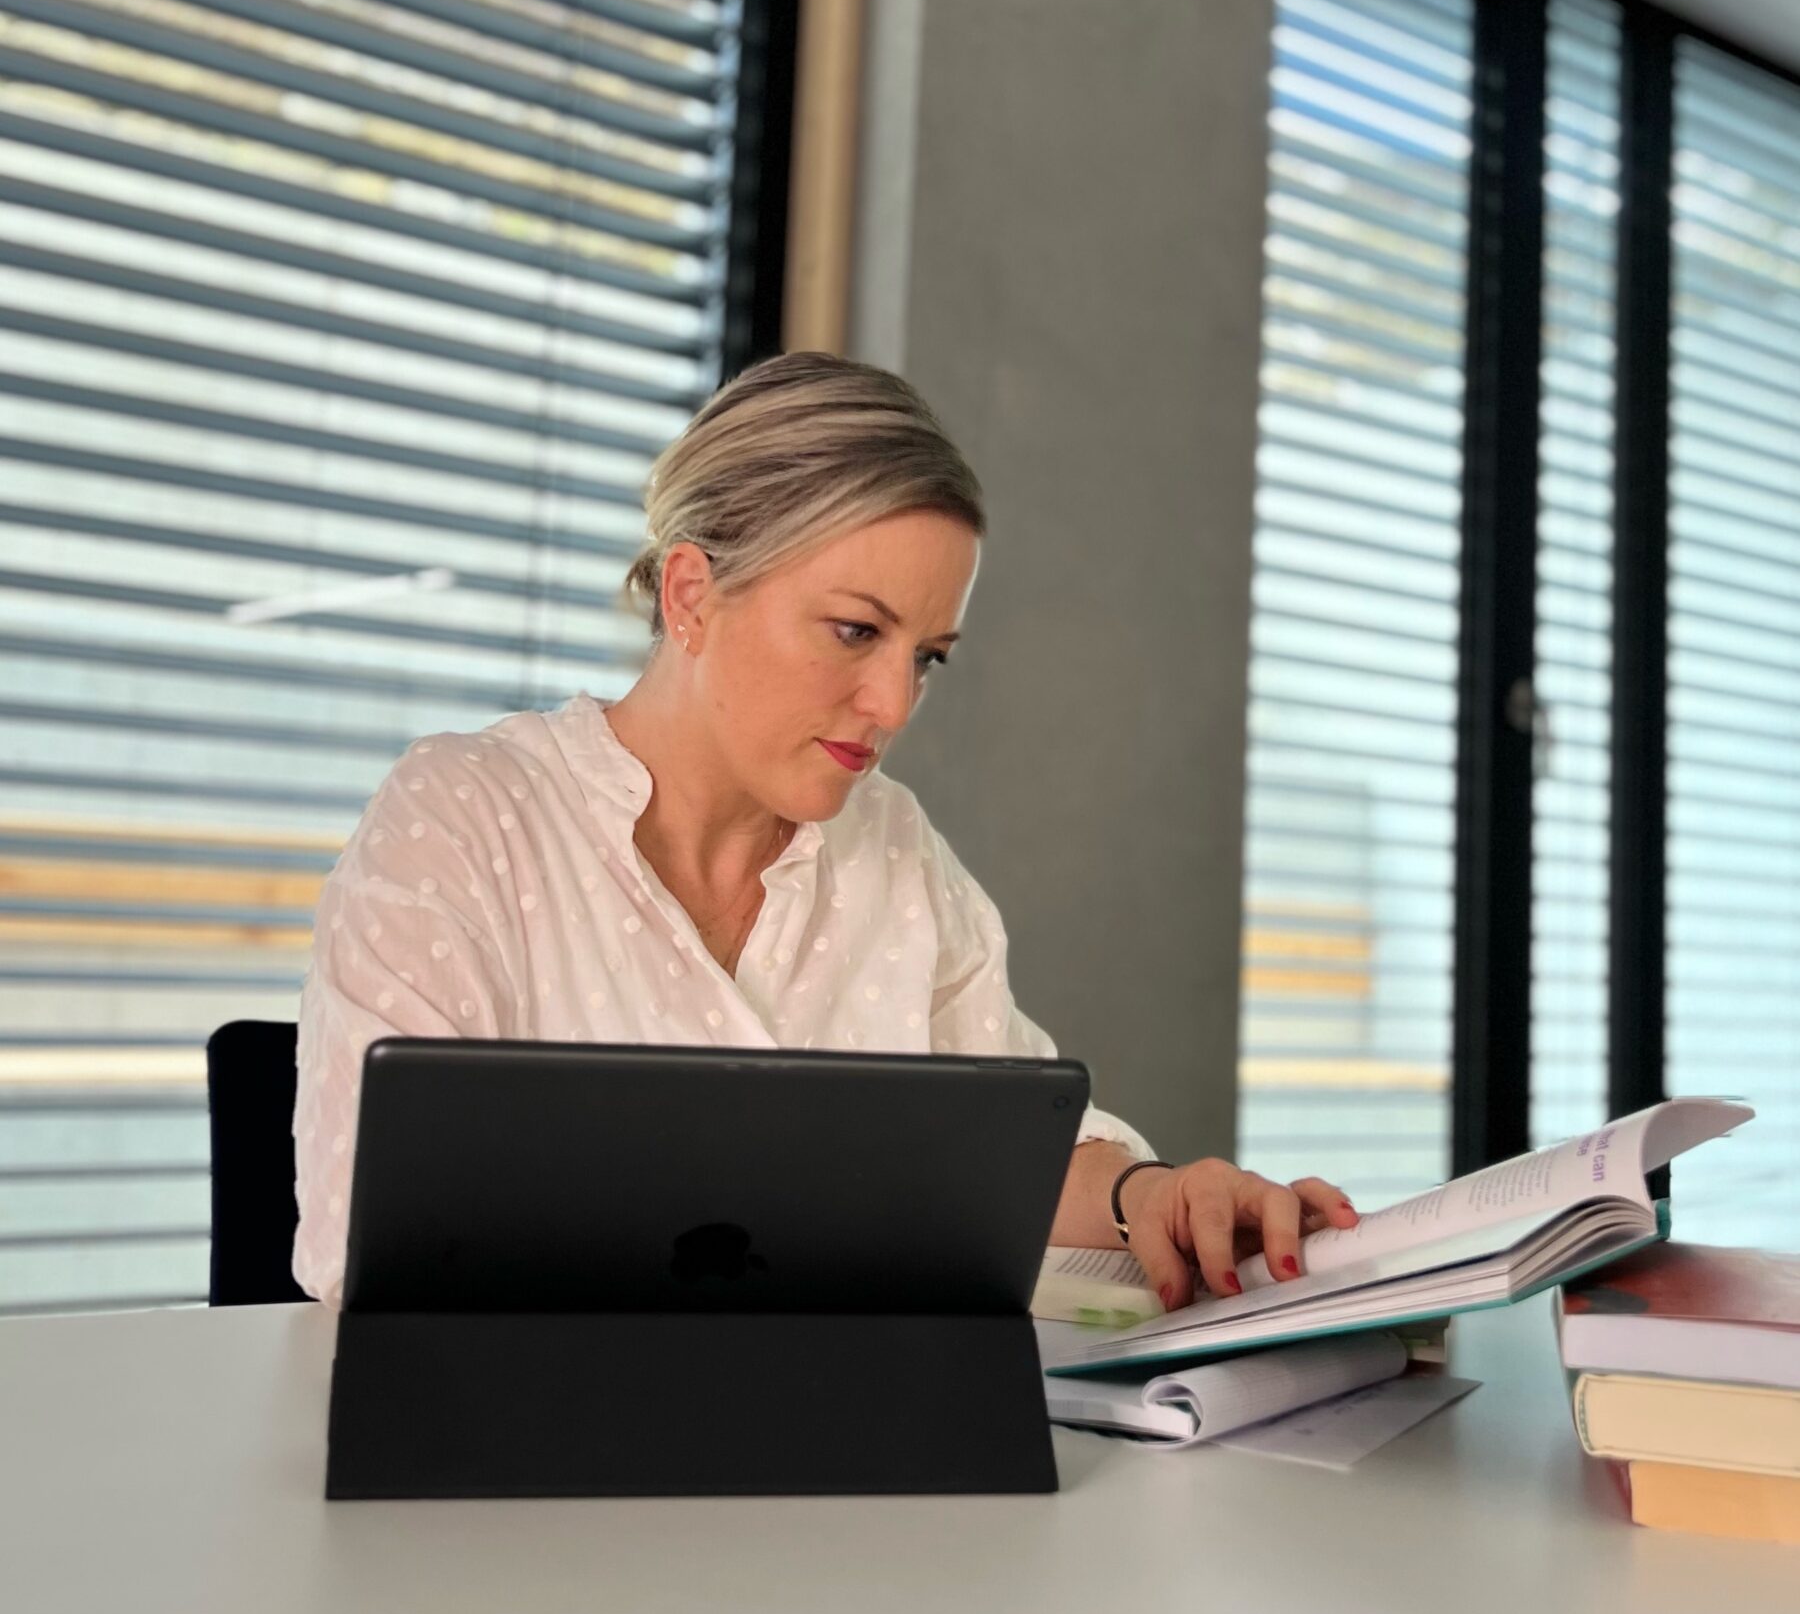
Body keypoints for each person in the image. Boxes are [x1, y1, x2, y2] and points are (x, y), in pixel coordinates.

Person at [293, 351, 1357, 1306]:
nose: (893, 704)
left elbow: (1003, 1154)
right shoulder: (464, 819)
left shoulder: (891, 851)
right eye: (856, 631)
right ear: (692, 595)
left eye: (927, 655)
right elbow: (372, 1245)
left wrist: (1150, 1196)